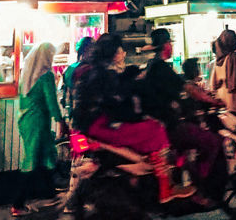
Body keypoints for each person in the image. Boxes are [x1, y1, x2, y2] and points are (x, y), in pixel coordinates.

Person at [72, 33, 194, 204]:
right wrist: (138, 115)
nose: (123, 54)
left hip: (87, 125)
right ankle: (166, 187)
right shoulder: (106, 75)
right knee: (155, 128)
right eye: (121, 50)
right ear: (114, 53)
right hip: (101, 126)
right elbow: (118, 104)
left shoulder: (89, 71)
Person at [138, 29, 224, 205]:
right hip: (169, 126)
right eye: (170, 43)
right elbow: (189, 89)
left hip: (162, 123)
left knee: (189, 148)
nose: (171, 47)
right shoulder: (161, 68)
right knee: (211, 141)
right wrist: (213, 102)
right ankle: (200, 189)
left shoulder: (152, 67)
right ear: (165, 46)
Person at [12, 43, 63, 217]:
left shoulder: (27, 75)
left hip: (26, 120)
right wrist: (61, 120)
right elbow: (51, 101)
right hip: (38, 121)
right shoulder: (46, 76)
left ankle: (51, 194)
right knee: (32, 159)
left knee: (46, 154)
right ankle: (17, 204)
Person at [210, 29, 236, 118]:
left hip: (222, 100)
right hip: (233, 101)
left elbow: (213, 84)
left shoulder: (218, 59)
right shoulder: (233, 57)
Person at [61, 37, 94, 118]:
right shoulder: (88, 69)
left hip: (73, 112)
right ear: (86, 50)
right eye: (92, 48)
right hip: (87, 113)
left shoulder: (69, 68)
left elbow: (65, 95)